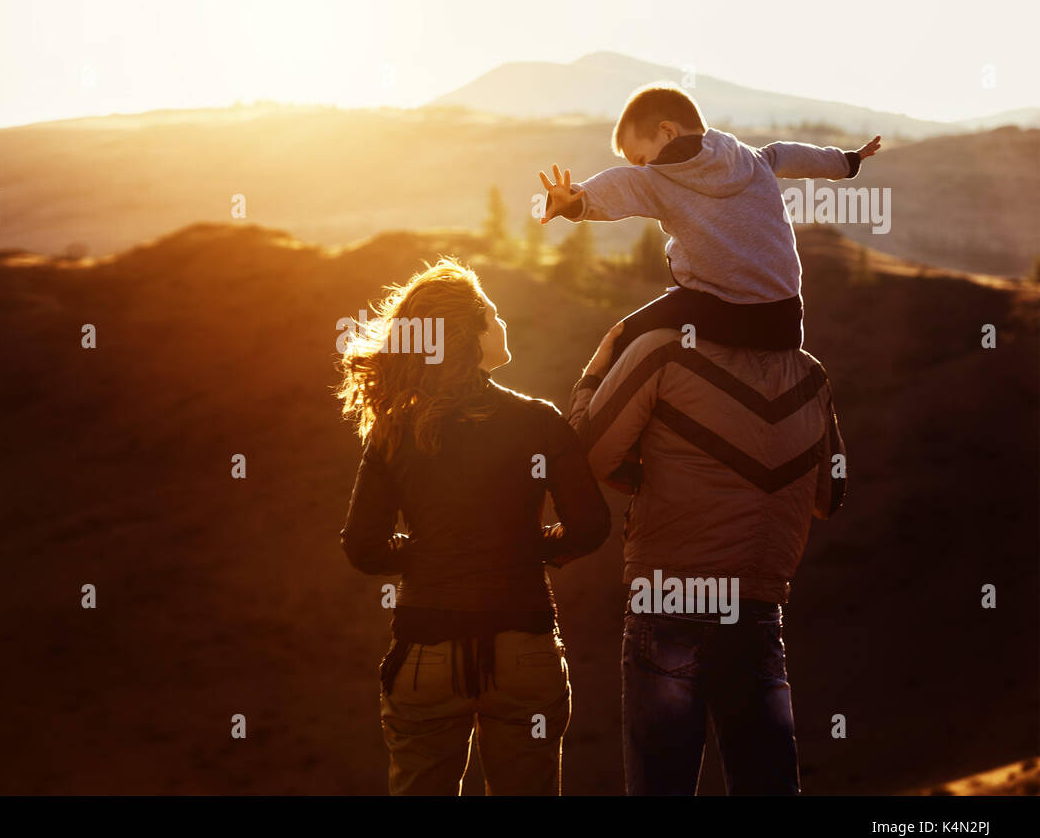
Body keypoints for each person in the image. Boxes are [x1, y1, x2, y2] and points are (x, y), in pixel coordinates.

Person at [337, 258, 610, 795]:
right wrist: (526, 548)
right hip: (523, 649)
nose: (502, 322)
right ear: (470, 334)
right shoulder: (538, 420)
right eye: (492, 313)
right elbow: (590, 528)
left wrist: (433, 553)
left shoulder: (396, 428)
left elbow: (364, 548)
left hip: (425, 654)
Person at [538, 81, 876, 484]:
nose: (641, 167)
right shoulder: (753, 159)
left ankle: (621, 456)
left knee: (621, 338)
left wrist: (575, 202)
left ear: (667, 132)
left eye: (641, 157)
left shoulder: (657, 179)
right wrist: (848, 162)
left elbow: (619, 185)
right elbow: (797, 156)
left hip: (715, 307)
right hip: (785, 318)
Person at [570, 315, 847, 795]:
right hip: (756, 608)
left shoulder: (661, 350)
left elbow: (586, 454)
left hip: (670, 599)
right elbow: (831, 494)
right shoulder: (810, 375)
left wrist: (595, 372)